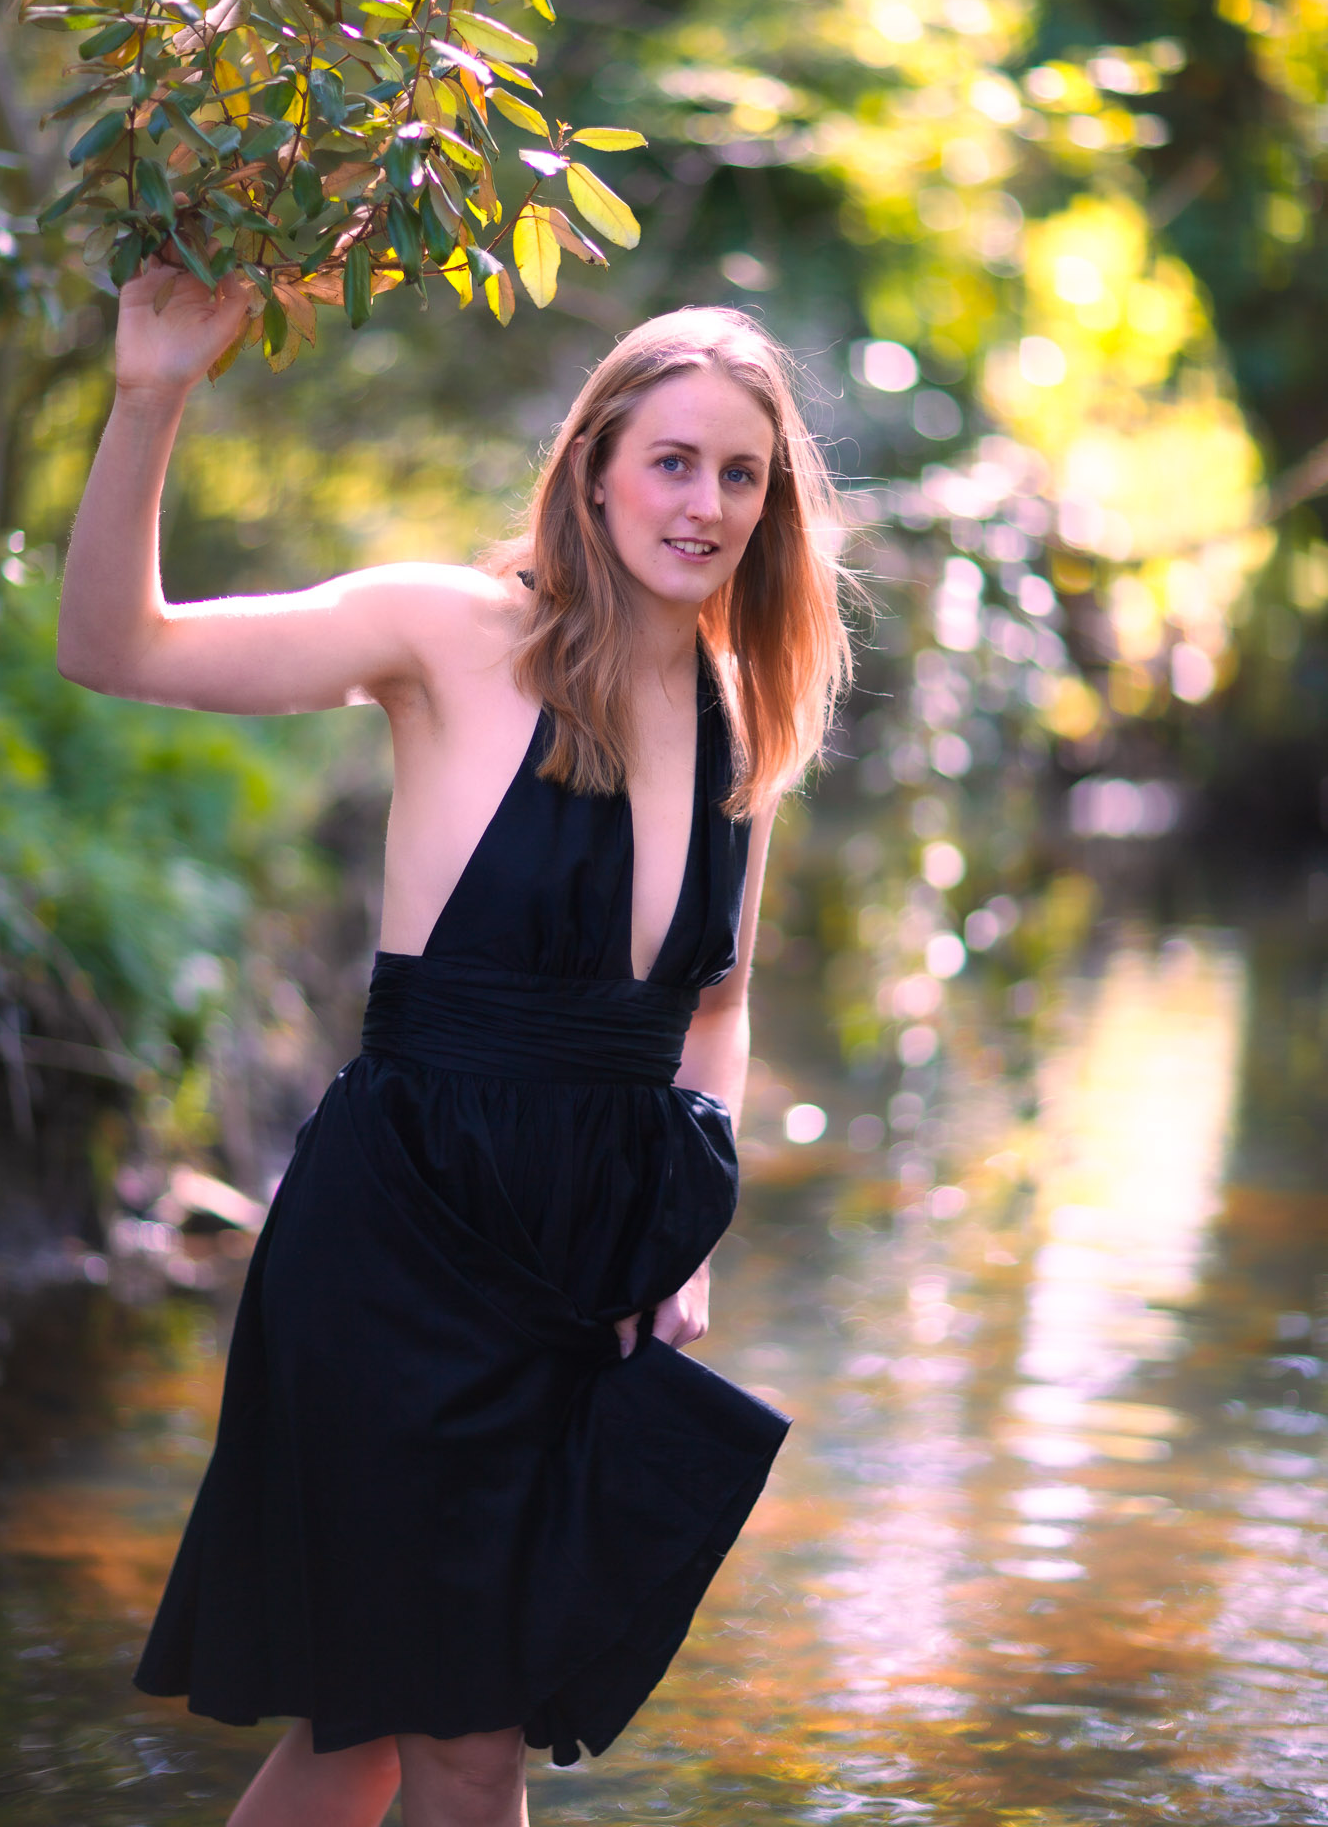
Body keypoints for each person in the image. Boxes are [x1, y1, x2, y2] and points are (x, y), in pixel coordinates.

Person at [56, 264, 850, 1827]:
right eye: (673, 461)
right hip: (397, 1243)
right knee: (464, 1733)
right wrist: (152, 393)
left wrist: (681, 1246)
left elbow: (713, 1004)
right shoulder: (446, 633)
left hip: (584, 1269)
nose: (703, 504)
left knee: (365, 1733)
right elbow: (116, 650)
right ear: (596, 466)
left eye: (739, 475)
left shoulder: (742, 717)